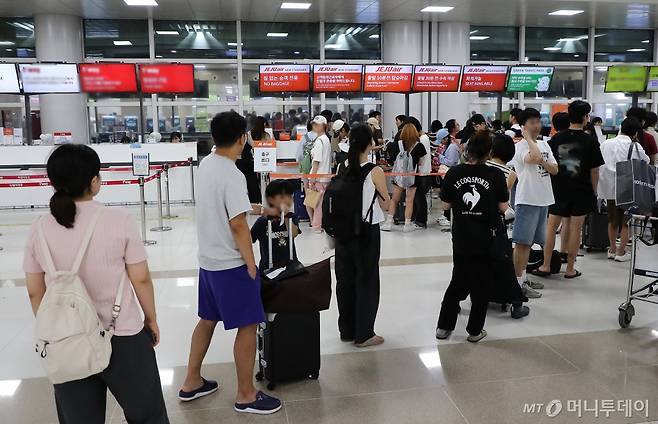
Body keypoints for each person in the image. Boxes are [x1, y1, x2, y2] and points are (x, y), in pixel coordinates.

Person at [24, 144, 169, 423]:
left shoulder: (39, 228)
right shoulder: (118, 220)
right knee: (148, 415)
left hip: (67, 341)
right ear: (94, 181)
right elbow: (140, 278)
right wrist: (150, 319)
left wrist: (56, 328)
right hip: (123, 334)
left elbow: (34, 291)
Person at [179, 111, 281, 415]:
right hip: (230, 265)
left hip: (208, 262)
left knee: (207, 320)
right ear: (242, 138)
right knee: (249, 325)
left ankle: (191, 381)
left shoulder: (207, 165)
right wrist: (251, 265)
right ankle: (246, 395)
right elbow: (238, 225)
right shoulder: (234, 174)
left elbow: (228, 205)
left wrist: (262, 210)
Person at [435, 129, 509, 343]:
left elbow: (445, 205)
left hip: (461, 236)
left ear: (467, 151)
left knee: (457, 280)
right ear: (488, 153)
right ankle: (475, 331)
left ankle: (443, 327)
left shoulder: (454, 172)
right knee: (481, 285)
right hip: (487, 237)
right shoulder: (495, 175)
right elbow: (503, 207)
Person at [334, 124, 390, 347]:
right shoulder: (374, 170)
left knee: (345, 281)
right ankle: (364, 333)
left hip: (343, 232)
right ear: (369, 143)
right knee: (366, 280)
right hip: (366, 231)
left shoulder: (342, 166)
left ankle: (346, 330)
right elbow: (385, 202)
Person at [534, 101, 603, 279]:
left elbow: (549, 165)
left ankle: (546, 265)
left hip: (558, 189)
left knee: (551, 228)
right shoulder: (591, 141)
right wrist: (594, 191)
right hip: (582, 190)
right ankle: (570, 269)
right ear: (585, 117)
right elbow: (595, 170)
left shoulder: (556, 139)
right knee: (575, 229)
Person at [511, 108, 558, 298]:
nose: (537, 125)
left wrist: (542, 160)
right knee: (522, 243)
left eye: (538, 121)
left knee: (531, 244)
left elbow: (554, 169)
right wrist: (527, 138)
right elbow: (536, 158)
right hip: (527, 199)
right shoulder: (520, 147)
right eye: (531, 122)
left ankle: (522, 278)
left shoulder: (545, 145)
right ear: (524, 126)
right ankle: (517, 283)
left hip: (543, 200)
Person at [598, 117, 650, 262]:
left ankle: (612, 249)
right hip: (628, 187)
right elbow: (645, 161)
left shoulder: (606, 143)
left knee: (612, 219)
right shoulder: (635, 146)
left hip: (609, 187)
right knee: (626, 221)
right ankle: (621, 253)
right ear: (635, 132)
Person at [381, 123, 427, 232]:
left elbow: (392, 160)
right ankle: (407, 224)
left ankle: (388, 223)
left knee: (394, 199)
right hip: (412, 177)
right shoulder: (419, 146)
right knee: (409, 200)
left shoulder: (397, 145)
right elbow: (420, 163)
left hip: (399, 176)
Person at [251, 180, 300, 271]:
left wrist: (285, 216)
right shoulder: (263, 221)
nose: (287, 200)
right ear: (271, 199)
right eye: (282, 197)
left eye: (289, 196)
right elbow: (250, 239)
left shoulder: (291, 217)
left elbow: (294, 233)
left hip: (289, 266)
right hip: (268, 267)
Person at [237, 116, 270, 203]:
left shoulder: (248, 134)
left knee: (249, 182)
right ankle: (258, 201)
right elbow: (270, 146)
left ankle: (251, 202)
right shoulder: (266, 135)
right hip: (262, 161)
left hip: (246, 161)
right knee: (255, 183)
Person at [309, 115, 333, 233]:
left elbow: (316, 161)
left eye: (317, 124)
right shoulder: (326, 139)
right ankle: (320, 224)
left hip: (319, 177)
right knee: (321, 203)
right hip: (326, 176)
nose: (314, 126)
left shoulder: (319, 141)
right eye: (313, 124)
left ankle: (317, 226)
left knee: (317, 203)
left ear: (323, 126)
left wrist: (312, 179)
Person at [408, 117, 432, 229]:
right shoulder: (424, 138)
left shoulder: (422, 139)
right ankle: (418, 219)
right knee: (419, 198)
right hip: (423, 172)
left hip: (422, 173)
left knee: (420, 198)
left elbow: (421, 159)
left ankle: (421, 221)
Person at [297, 121, 318, 221]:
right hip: (318, 170)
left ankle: (312, 219)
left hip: (306, 169)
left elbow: (299, 156)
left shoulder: (304, 137)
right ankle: (318, 219)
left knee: (308, 194)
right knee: (318, 194)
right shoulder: (320, 137)